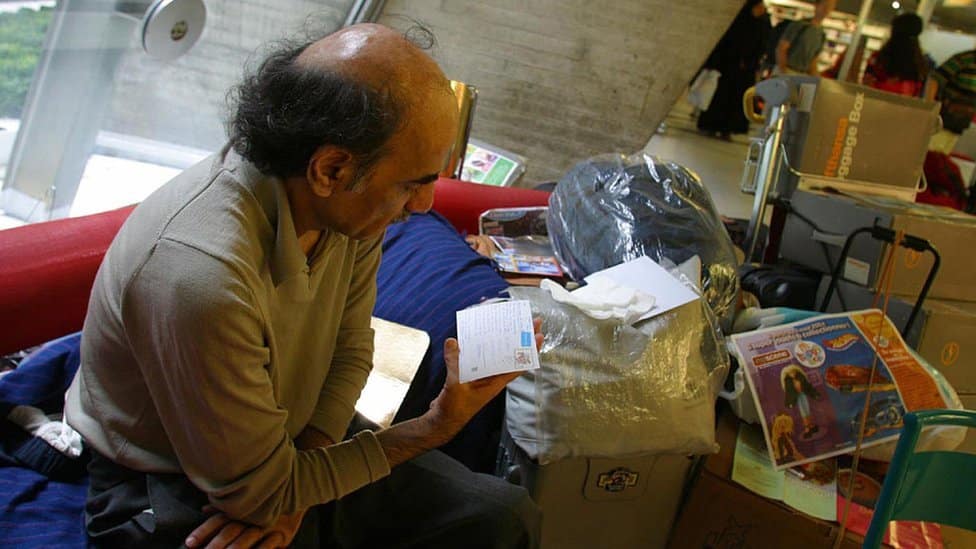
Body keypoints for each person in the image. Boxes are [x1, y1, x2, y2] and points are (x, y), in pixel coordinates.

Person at [65, 23, 541, 548]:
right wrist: (433, 428)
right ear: (331, 168)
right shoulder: (201, 275)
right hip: (166, 473)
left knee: (500, 515)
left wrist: (298, 484)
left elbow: (351, 348)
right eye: (414, 182)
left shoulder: (345, 211)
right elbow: (256, 495)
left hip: (289, 443)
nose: (424, 205)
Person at [697, 0, 771, 139]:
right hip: (728, 66)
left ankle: (728, 129)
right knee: (721, 97)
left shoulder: (762, 23)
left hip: (745, 69)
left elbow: (763, 44)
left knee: (737, 100)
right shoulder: (740, 20)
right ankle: (712, 125)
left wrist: (751, 62)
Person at [861, 13, 930, 98]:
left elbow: (865, 87)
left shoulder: (879, 59)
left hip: (874, 105)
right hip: (903, 110)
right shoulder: (920, 64)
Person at [774, 0, 837, 76]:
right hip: (787, 70)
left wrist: (816, 79)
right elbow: (781, 49)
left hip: (801, 75)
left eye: (830, 7)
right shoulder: (800, 25)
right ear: (816, 5)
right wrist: (784, 71)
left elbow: (812, 61)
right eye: (824, 5)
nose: (826, 9)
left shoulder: (821, 35)